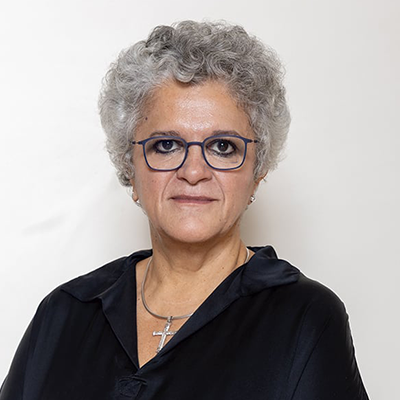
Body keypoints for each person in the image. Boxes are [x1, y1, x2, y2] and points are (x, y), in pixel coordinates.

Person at [0, 21, 369, 399]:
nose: (193, 172)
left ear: (257, 172)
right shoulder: (64, 314)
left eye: (223, 147)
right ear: (129, 166)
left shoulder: (305, 319)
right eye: (166, 145)